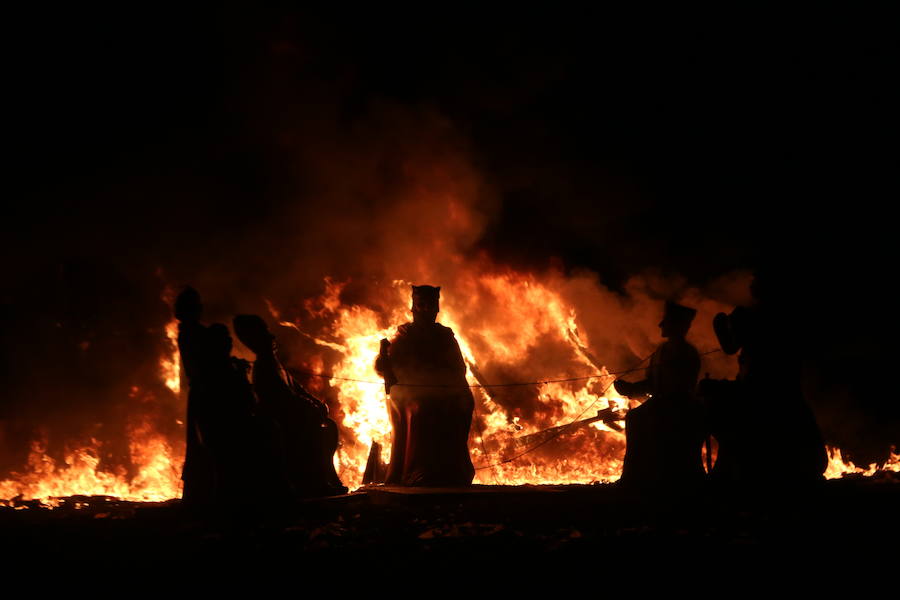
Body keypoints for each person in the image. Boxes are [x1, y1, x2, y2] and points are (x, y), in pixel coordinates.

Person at [702, 267, 827, 484]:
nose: (751, 285)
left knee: (713, 400)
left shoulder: (747, 315)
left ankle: (734, 470)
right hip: (786, 386)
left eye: (756, 281)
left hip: (756, 387)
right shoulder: (791, 316)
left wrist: (720, 324)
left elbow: (730, 347)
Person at [232, 314, 346, 497]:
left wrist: (316, 402)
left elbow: (296, 388)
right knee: (317, 437)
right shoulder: (264, 368)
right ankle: (316, 482)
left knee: (329, 429)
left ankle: (327, 478)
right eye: (265, 333)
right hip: (284, 422)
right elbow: (284, 399)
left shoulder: (275, 364)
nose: (272, 337)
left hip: (297, 416)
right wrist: (309, 408)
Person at [374, 285, 475, 486]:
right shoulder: (404, 334)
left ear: (437, 308)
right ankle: (417, 471)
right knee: (423, 408)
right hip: (410, 393)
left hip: (443, 391)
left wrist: (446, 383)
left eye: (432, 306)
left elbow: (458, 367)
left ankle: (451, 471)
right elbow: (387, 368)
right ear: (414, 307)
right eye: (422, 305)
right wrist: (383, 359)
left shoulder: (445, 335)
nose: (427, 310)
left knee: (463, 402)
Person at [614, 301, 705, 490]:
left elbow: (675, 385)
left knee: (638, 418)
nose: (661, 325)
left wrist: (638, 391)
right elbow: (651, 383)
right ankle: (636, 476)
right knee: (634, 417)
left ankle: (640, 478)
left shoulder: (687, 353)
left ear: (679, 326)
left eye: (666, 322)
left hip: (681, 404)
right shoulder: (661, 352)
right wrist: (630, 389)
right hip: (663, 402)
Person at [173, 286, 216, 508]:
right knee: (207, 444)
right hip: (206, 394)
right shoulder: (193, 333)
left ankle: (202, 493)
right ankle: (204, 495)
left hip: (202, 393)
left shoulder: (190, 332)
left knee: (202, 447)